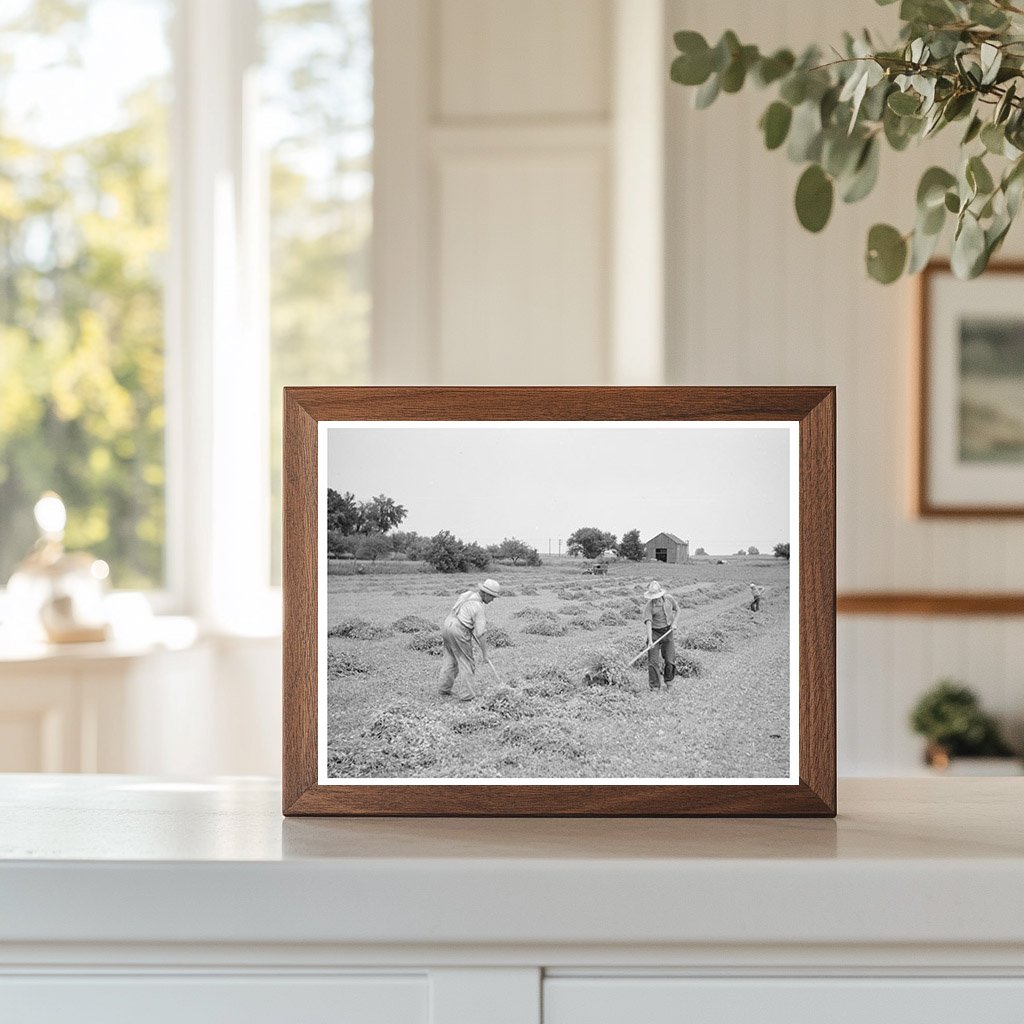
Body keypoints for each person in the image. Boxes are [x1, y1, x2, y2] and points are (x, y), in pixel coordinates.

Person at [438, 578, 501, 701]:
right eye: (492, 596)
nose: (493, 600)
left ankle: (444, 689)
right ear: (485, 594)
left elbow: (459, 611)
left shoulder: (467, 594)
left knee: (450, 658)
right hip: (459, 629)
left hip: (447, 624)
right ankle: (467, 695)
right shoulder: (479, 608)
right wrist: (485, 655)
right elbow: (481, 634)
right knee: (467, 662)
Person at [642, 580, 679, 691]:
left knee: (670, 659)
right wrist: (650, 641)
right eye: (653, 597)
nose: (655, 599)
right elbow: (648, 622)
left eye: (657, 596)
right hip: (654, 633)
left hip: (668, 631)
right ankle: (655, 686)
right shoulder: (649, 606)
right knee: (653, 662)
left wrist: (674, 623)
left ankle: (669, 683)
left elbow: (677, 610)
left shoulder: (669, 599)